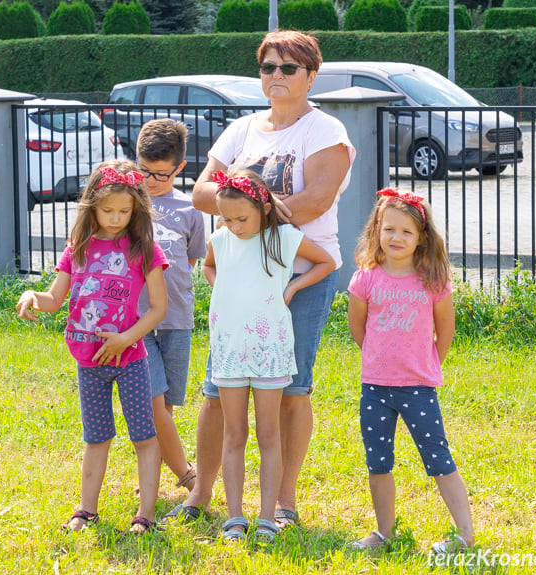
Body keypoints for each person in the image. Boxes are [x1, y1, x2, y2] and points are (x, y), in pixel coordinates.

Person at [167, 29, 356, 527]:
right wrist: (252, 215)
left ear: (310, 75)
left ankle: (283, 502)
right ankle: (200, 495)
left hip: (300, 275)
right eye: (268, 67)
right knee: (216, 389)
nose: (275, 76)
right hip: (238, 279)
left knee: (292, 390)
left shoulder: (325, 132)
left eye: (287, 68)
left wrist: (245, 205)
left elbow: (316, 200)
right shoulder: (243, 128)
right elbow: (202, 192)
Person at [16, 159, 169, 533]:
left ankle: (145, 515)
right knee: (96, 436)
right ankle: (86, 509)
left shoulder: (143, 249)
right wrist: (31, 295)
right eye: (107, 211)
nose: (115, 218)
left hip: (130, 358)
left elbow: (159, 308)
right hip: (88, 361)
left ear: (136, 209)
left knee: (144, 437)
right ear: (91, 207)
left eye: (124, 211)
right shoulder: (78, 248)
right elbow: (53, 298)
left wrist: (125, 339)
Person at [204, 169, 335, 542]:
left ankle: (265, 517)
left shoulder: (284, 238)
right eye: (227, 219)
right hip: (229, 350)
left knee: (268, 434)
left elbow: (327, 262)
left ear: (263, 207)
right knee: (234, 434)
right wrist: (221, 287)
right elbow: (210, 266)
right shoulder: (221, 239)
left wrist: (293, 286)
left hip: (270, 351)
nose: (234, 226)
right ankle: (233, 517)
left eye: (241, 219)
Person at [346, 188, 475, 553]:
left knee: (438, 458)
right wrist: (378, 358)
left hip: (418, 387)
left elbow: (444, 331)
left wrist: (427, 364)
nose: (396, 238)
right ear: (377, 231)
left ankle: (464, 534)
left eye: (406, 231)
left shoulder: (432, 280)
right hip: (375, 387)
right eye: (389, 229)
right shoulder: (365, 279)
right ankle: (385, 533)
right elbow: (359, 328)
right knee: (378, 461)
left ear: (421, 238)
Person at [135, 119, 207, 494]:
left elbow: (191, 262)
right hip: (138, 320)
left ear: (179, 168)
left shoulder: (189, 208)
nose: (150, 180)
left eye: (160, 174)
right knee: (151, 399)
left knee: (166, 406)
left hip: (178, 318)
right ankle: (186, 473)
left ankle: (150, 471)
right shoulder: (127, 204)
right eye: (143, 170)